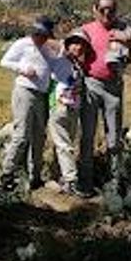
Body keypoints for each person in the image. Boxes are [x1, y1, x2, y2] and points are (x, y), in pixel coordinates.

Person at [78, 0, 131, 194]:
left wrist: (128, 41)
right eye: (102, 9)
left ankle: (114, 183)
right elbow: (69, 50)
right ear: (95, 10)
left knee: (114, 137)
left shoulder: (124, 30)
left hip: (114, 87)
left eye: (111, 10)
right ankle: (85, 182)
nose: (107, 14)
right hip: (91, 85)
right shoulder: (85, 30)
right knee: (87, 135)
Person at [0, 15, 57, 190]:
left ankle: (34, 176)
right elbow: (4, 61)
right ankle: (6, 173)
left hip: (43, 95)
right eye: (36, 33)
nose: (39, 37)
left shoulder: (48, 48)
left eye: (43, 34)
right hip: (25, 91)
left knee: (39, 136)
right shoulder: (23, 44)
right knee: (22, 134)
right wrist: (22, 69)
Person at [47, 28, 93, 195]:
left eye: (82, 45)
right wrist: (64, 46)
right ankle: (71, 180)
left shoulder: (77, 65)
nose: (78, 47)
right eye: (74, 44)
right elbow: (50, 43)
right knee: (63, 145)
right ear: (67, 45)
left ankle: (59, 176)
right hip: (59, 106)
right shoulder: (59, 59)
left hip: (73, 109)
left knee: (66, 145)